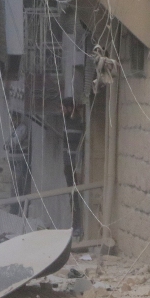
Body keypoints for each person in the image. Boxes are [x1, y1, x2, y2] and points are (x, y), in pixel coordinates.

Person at [61, 99, 85, 239]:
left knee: (75, 196)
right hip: (68, 164)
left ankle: (77, 226)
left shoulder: (75, 123)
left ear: (70, 109)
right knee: (72, 196)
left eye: (63, 108)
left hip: (73, 164)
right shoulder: (68, 122)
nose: (61, 111)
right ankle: (75, 225)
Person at [5, 113, 31, 214]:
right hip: (14, 163)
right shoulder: (15, 130)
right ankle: (15, 209)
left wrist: (8, 144)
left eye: (13, 119)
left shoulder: (22, 128)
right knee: (15, 187)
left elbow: (14, 142)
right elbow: (7, 142)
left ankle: (18, 210)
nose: (12, 122)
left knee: (19, 187)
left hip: (21, 162)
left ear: (18, 118)